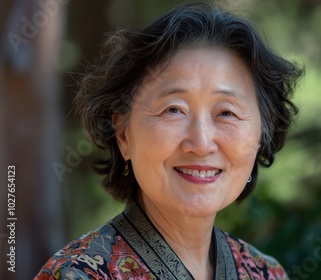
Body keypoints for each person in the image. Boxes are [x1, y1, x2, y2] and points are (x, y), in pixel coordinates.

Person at [35, 2, 303, 279]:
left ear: (261, 135)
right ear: (123, 134)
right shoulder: (76, 275)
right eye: (173, 110)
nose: (201, 143)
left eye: (226, 112)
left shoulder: (266, 273)